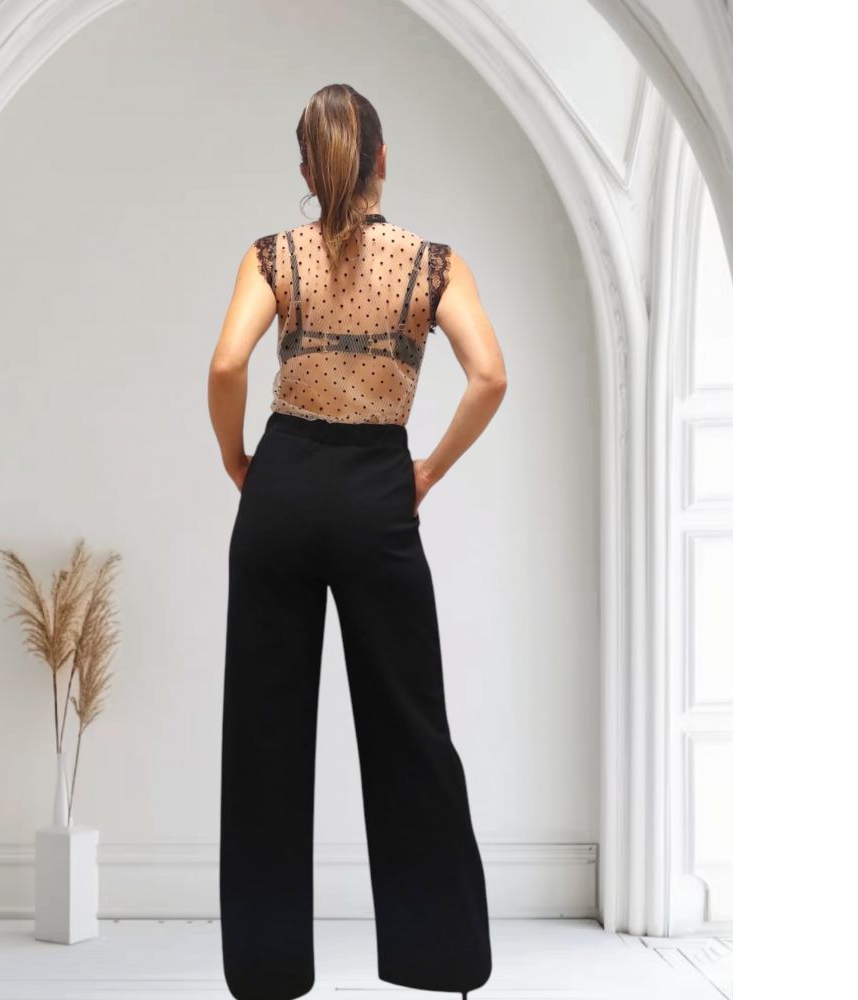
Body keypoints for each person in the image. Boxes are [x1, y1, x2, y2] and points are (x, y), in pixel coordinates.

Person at [208, 83, 507, 1000]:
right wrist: (427, 472)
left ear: (308, 167)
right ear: (382, 159)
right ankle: (441, 962)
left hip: (283, 486)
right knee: (409, 723)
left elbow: (227, 363)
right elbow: (490, 377)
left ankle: (266, 972)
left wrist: (237, 459)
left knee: (264, 734)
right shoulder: (434, 264)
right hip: (379, 488)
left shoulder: (273, 255)